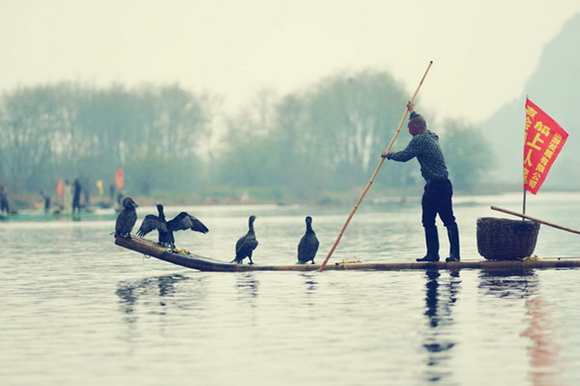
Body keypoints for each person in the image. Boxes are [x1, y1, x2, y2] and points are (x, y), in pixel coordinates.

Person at [381, 101, 460, 262]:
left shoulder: (420, 140)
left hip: (440, 186)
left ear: (416, 128)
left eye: (409, 127)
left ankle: (455, 255)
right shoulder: (432, 135)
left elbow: (404, 156)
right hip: (431, 186)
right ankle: (432, 254)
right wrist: (412, 111)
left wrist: (388, 154)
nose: (408, 130)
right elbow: (419, 121)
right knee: (427, 220)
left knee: (448, 219)